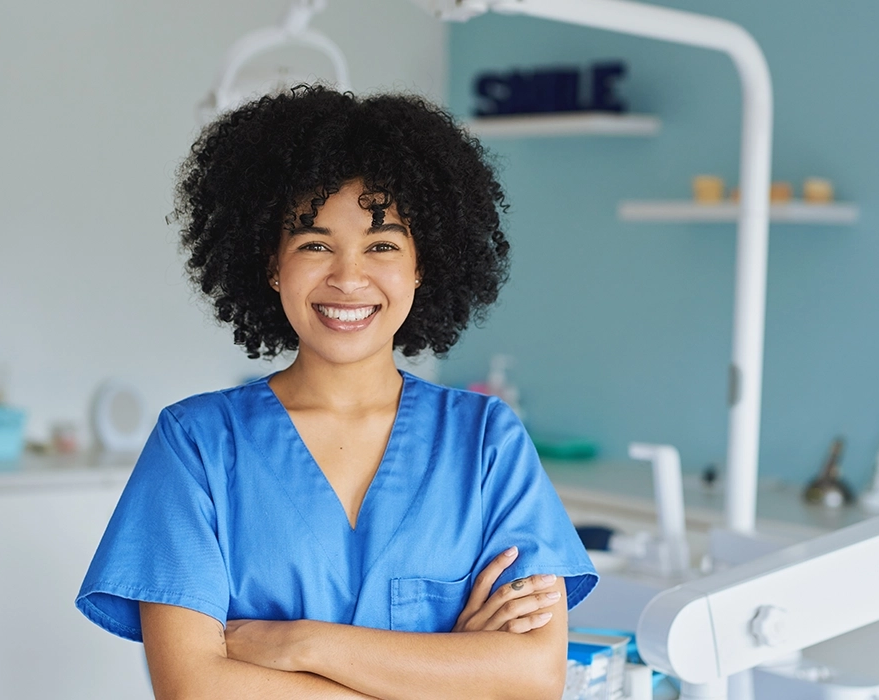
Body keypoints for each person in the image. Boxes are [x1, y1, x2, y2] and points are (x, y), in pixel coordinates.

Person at [76, 86, 597, 699]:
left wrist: (303, 643)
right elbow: (195, 690)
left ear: (422, 265)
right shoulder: (196, 445)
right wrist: (450, 673)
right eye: (315, 244)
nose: (349, 278)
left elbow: (535, 677)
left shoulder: (486, 441)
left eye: (382, 245)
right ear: (272, 264)